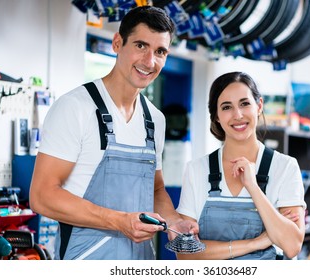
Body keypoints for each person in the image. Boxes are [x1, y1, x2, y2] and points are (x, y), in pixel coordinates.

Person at [29, 5, 197, 260]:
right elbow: (42, 196)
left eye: (160, 51)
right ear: (118, 43)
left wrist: (175, 222)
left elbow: (155, 189)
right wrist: (120, 221)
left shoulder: (155, 120)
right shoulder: (75, 107)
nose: (150, 62)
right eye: (141, 46)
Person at [176, 71, 306, 260]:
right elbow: (185, 253)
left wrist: (253, 187)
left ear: (259, 106)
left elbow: (292, 245)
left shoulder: (285, 167)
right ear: (217, 117)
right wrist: (256, 243)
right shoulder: (197, 170)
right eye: (226, 107)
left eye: (245, 104)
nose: (237, 115)